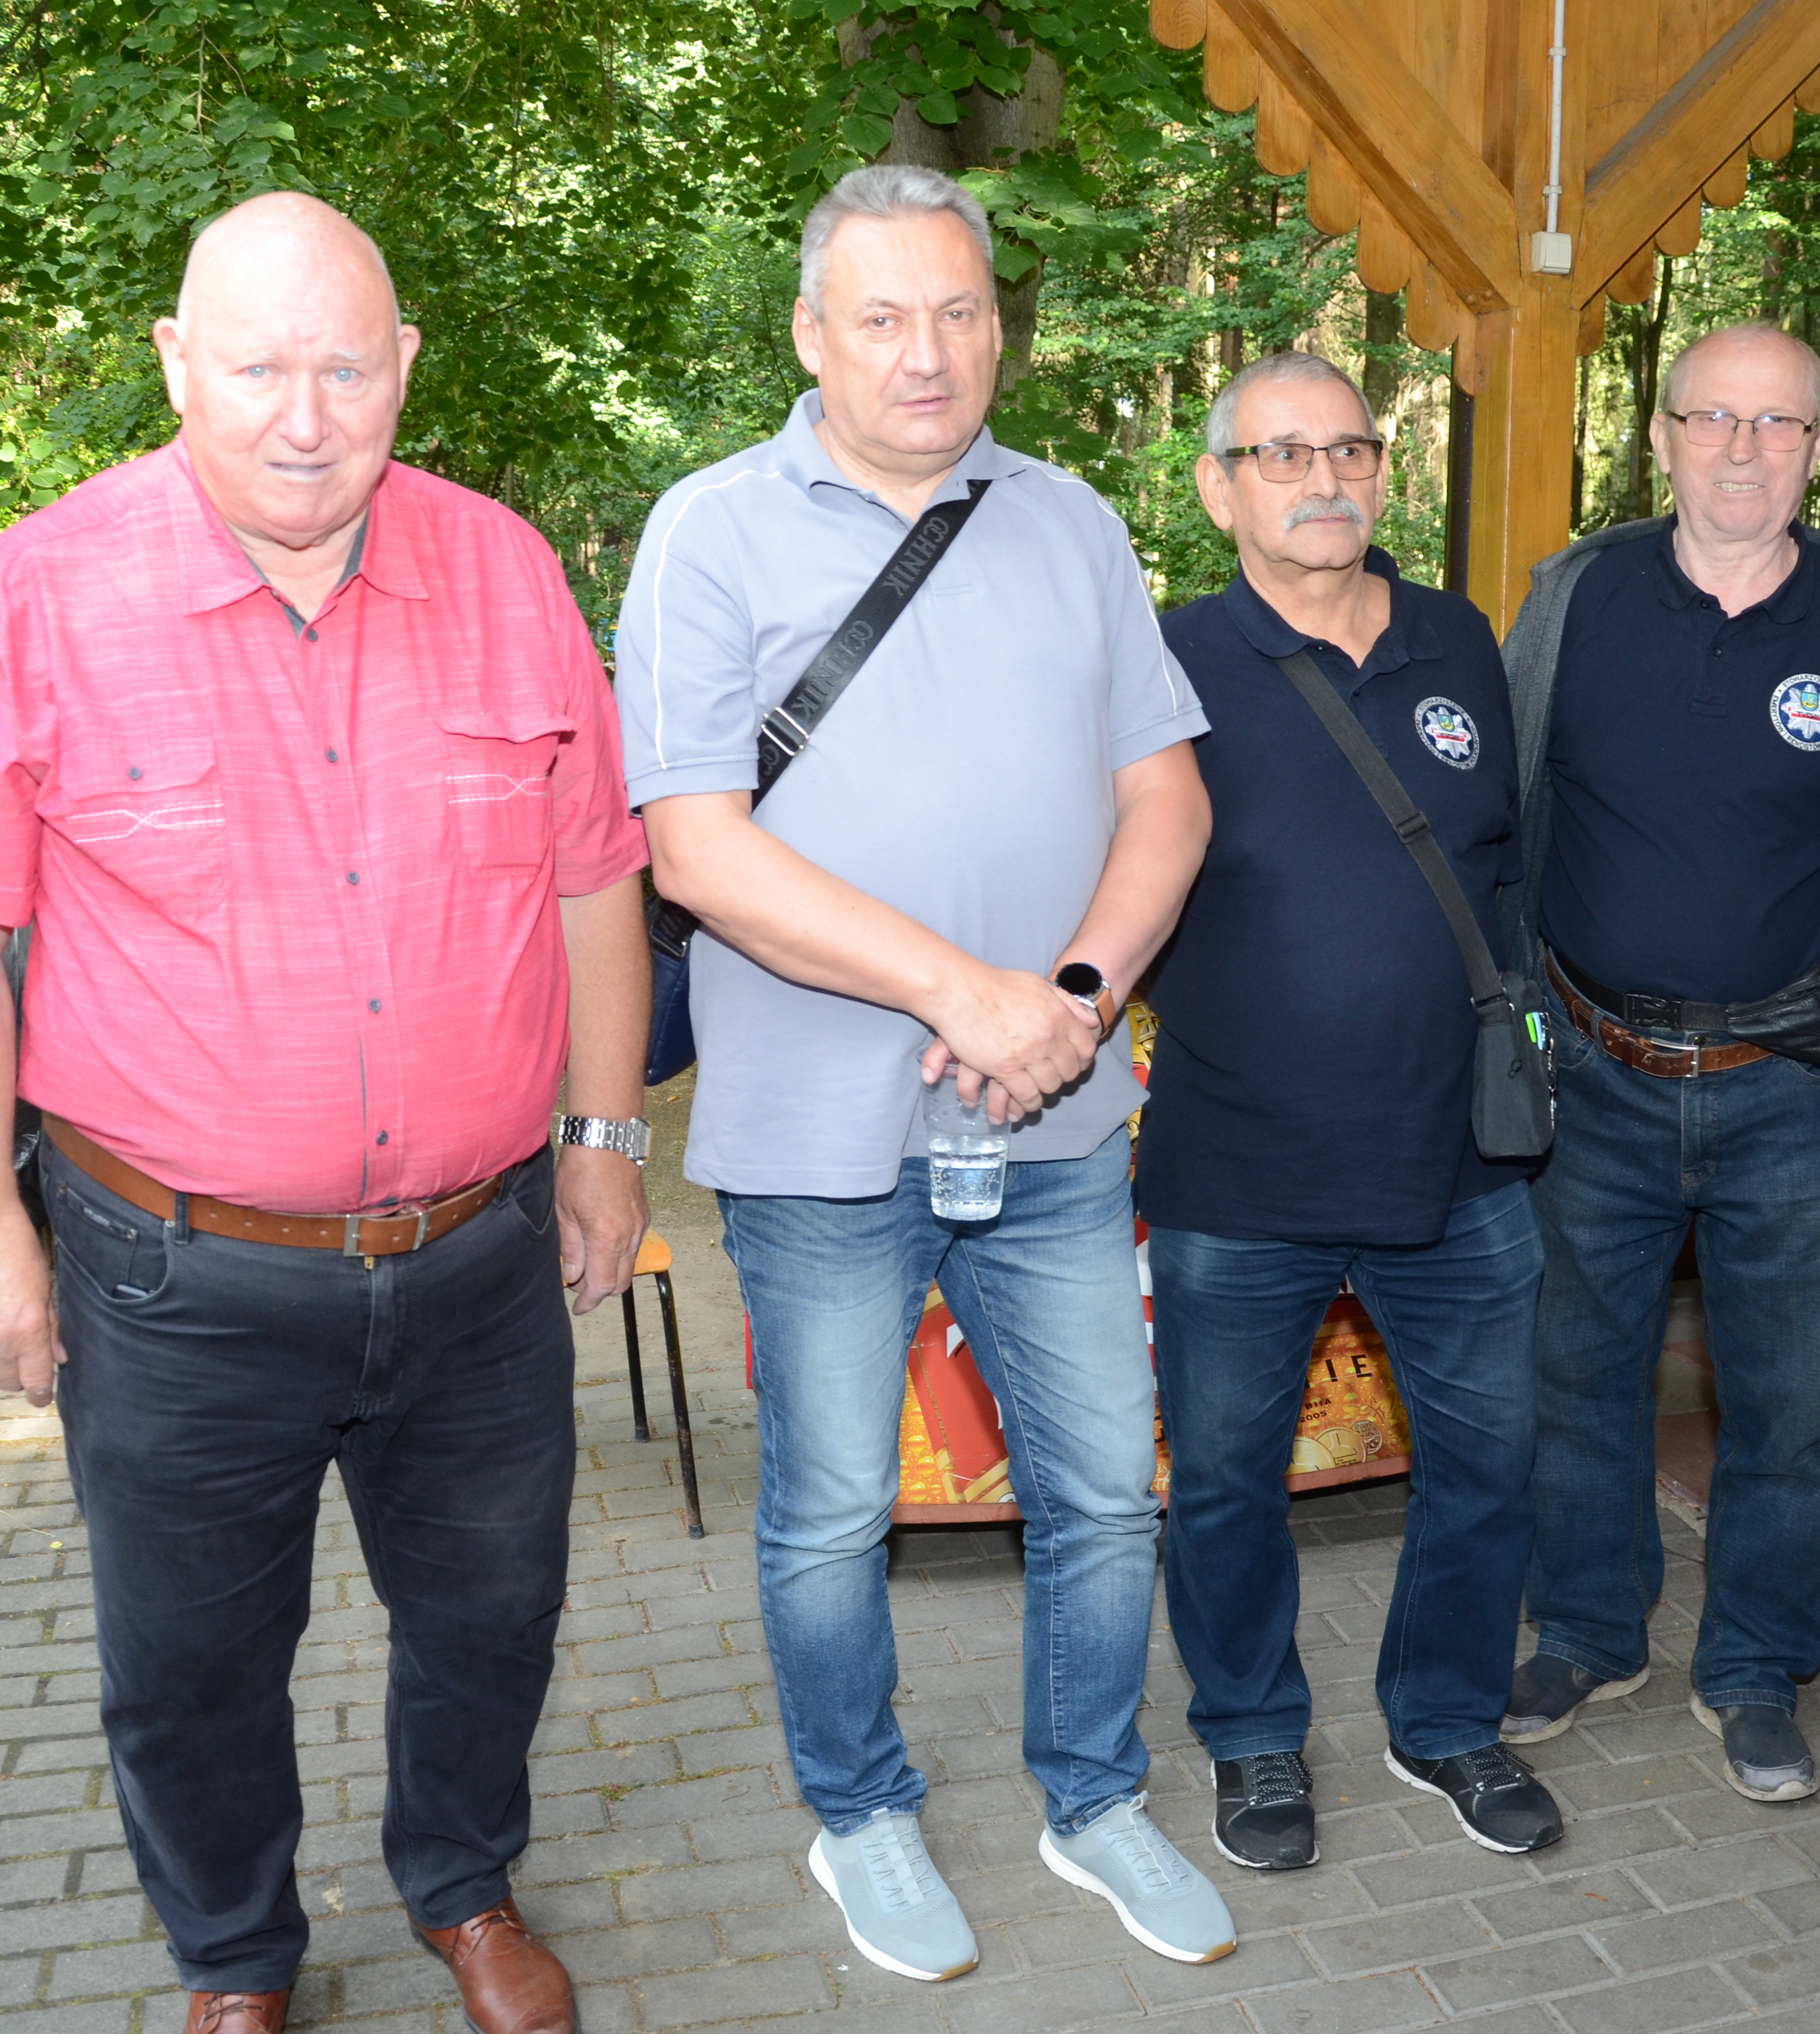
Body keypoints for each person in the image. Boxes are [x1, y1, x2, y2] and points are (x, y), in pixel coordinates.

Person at [0, 193, 645, 2034]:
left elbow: (595, 879)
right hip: (174, 1282)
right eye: (258, 369)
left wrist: (605, 1140)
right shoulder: (29, 598)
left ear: (405, 370)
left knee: (494, 1617)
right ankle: (235, 1958)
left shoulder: (510, 572)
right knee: (192, 1666)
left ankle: (465, 1885)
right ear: (174, 364)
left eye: (347, 370)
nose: (306, 419)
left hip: (478, 1260)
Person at [614, 165, 1224, 1982]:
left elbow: (1166, 800)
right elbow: (696, 852)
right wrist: (969, 994)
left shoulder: (1071, 521)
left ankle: (1093, 1799)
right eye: (882, 316)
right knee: (829, 1517)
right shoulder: (711, 532)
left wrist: (1075, 1001)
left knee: (1105, 1491)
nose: (927, 352)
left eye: (961, 311)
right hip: (818, 1137)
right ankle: (860, 1817)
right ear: (810, 334)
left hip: (1058, 1119)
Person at [1494, 325, 1820, 1803]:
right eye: (1713, 418)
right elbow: (1508, 807)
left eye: (1778, 424)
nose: (1743, 449)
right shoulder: (1574, 598)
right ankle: (1589, 1632)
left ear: (1818, 446)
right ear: (1661, 436)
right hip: (1595, 1070)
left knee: (1791, 1399)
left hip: (1795, 1086)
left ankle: (1759, 1667)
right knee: (1575, 1376)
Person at [1135, 350, 1560, 1871]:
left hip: (1458, 1163)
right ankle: (1252, 1737)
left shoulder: (1459, 639)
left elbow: (1501, 866)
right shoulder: (1162, 661)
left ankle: (1445, 1720)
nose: (1323, 480)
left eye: (1349, 450)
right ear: (1218, 488)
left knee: (1488, 1464)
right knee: (1224, 1484)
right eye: (1282, 455)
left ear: (1383, 469)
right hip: (1237, 1167)